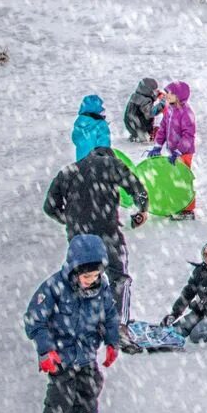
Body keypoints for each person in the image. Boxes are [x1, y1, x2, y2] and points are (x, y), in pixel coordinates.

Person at [43, 143, 149, 335]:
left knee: (81, 277)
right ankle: (118, 325)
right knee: (119, 276)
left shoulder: (69, 170)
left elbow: (49, 207)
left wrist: (70, 220)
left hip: (78, 236)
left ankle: (76, 323)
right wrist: (142, 209)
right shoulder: (112, 164)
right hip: (106, 231)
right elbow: (138, 189)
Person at [24, 233, 121, 413]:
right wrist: (46, 349)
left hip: (86, 352)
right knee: (62, 388)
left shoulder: (102, 288)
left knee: (91, 384)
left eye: (96, 275)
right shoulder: (55, 287)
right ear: (74, 270)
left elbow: (110, 316)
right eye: (86, 277)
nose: (91, 281)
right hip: (61, 352)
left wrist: (112, 342)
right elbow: (35, 320)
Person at [150, 79, 198, 219]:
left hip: (184, 153)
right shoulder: (170, 110)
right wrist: (158, 146)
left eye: (170, 93)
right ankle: (178, 204)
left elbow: (188, 135)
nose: (166, 95)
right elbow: (163, 128)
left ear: (179, 96)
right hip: (173, 152)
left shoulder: (186, 113)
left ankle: (187, 210)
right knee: (174, 179)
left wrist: (179, 151)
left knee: (183, 178)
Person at [70, 94, 111, 162]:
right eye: (100, 106)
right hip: (98, 161)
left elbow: (75, 139)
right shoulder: (101, 125)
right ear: (95, 108)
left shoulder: (79, 124)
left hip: (81, 161)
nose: (103, 108)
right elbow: (104, 145)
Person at [123, 77, 161, 143]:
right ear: (148, 90)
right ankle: (144, 136)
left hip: (130, 124)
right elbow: (150, 113)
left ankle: (135, 135)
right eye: (154, 91)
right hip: (141, 126)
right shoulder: (146, 100)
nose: (155, 93)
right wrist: (161, 105)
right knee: (157, 129)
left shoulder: (135, 96)